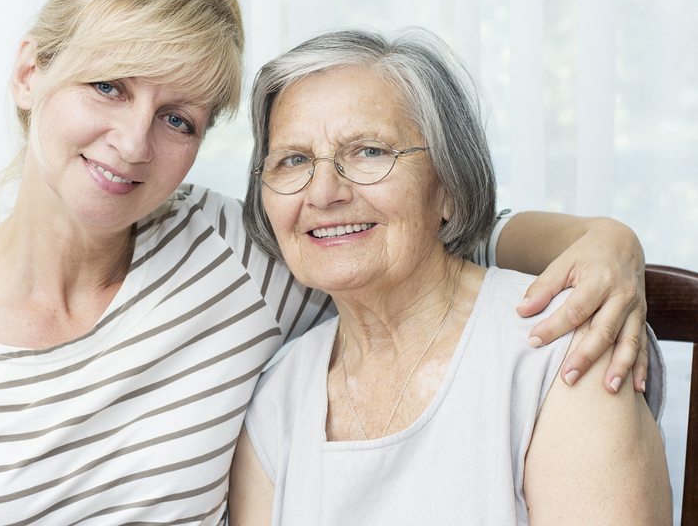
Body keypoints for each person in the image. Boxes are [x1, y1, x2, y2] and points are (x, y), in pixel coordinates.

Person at [0, 0, 652, 524]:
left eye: (178, 118)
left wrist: (604, 243)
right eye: (109, 86)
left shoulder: (231, 257)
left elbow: (430, 240)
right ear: (32, 72)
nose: (133, 140)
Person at [228, 28, 671, 524]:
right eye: (294, 160)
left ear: (450, 187)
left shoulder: (560, 345)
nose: (325, 191)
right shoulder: (275, 399)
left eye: (369, 151)